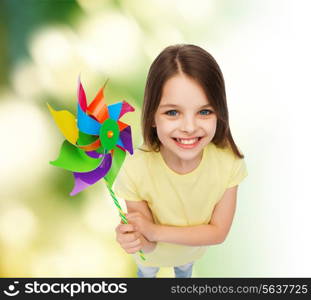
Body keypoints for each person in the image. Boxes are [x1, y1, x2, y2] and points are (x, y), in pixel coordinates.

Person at [113, 44, 247, 278]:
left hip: (191, 255)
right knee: (146, 273)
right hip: (150, 258)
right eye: (172, 112)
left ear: (220, 113)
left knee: (184, 272)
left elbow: (218, 233)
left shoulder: (229, 163)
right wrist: (135, 237)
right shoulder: (135, 168)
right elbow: (149, 244)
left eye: (204, 112)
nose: (189, 127)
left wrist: (154, 230)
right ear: (152, 116)